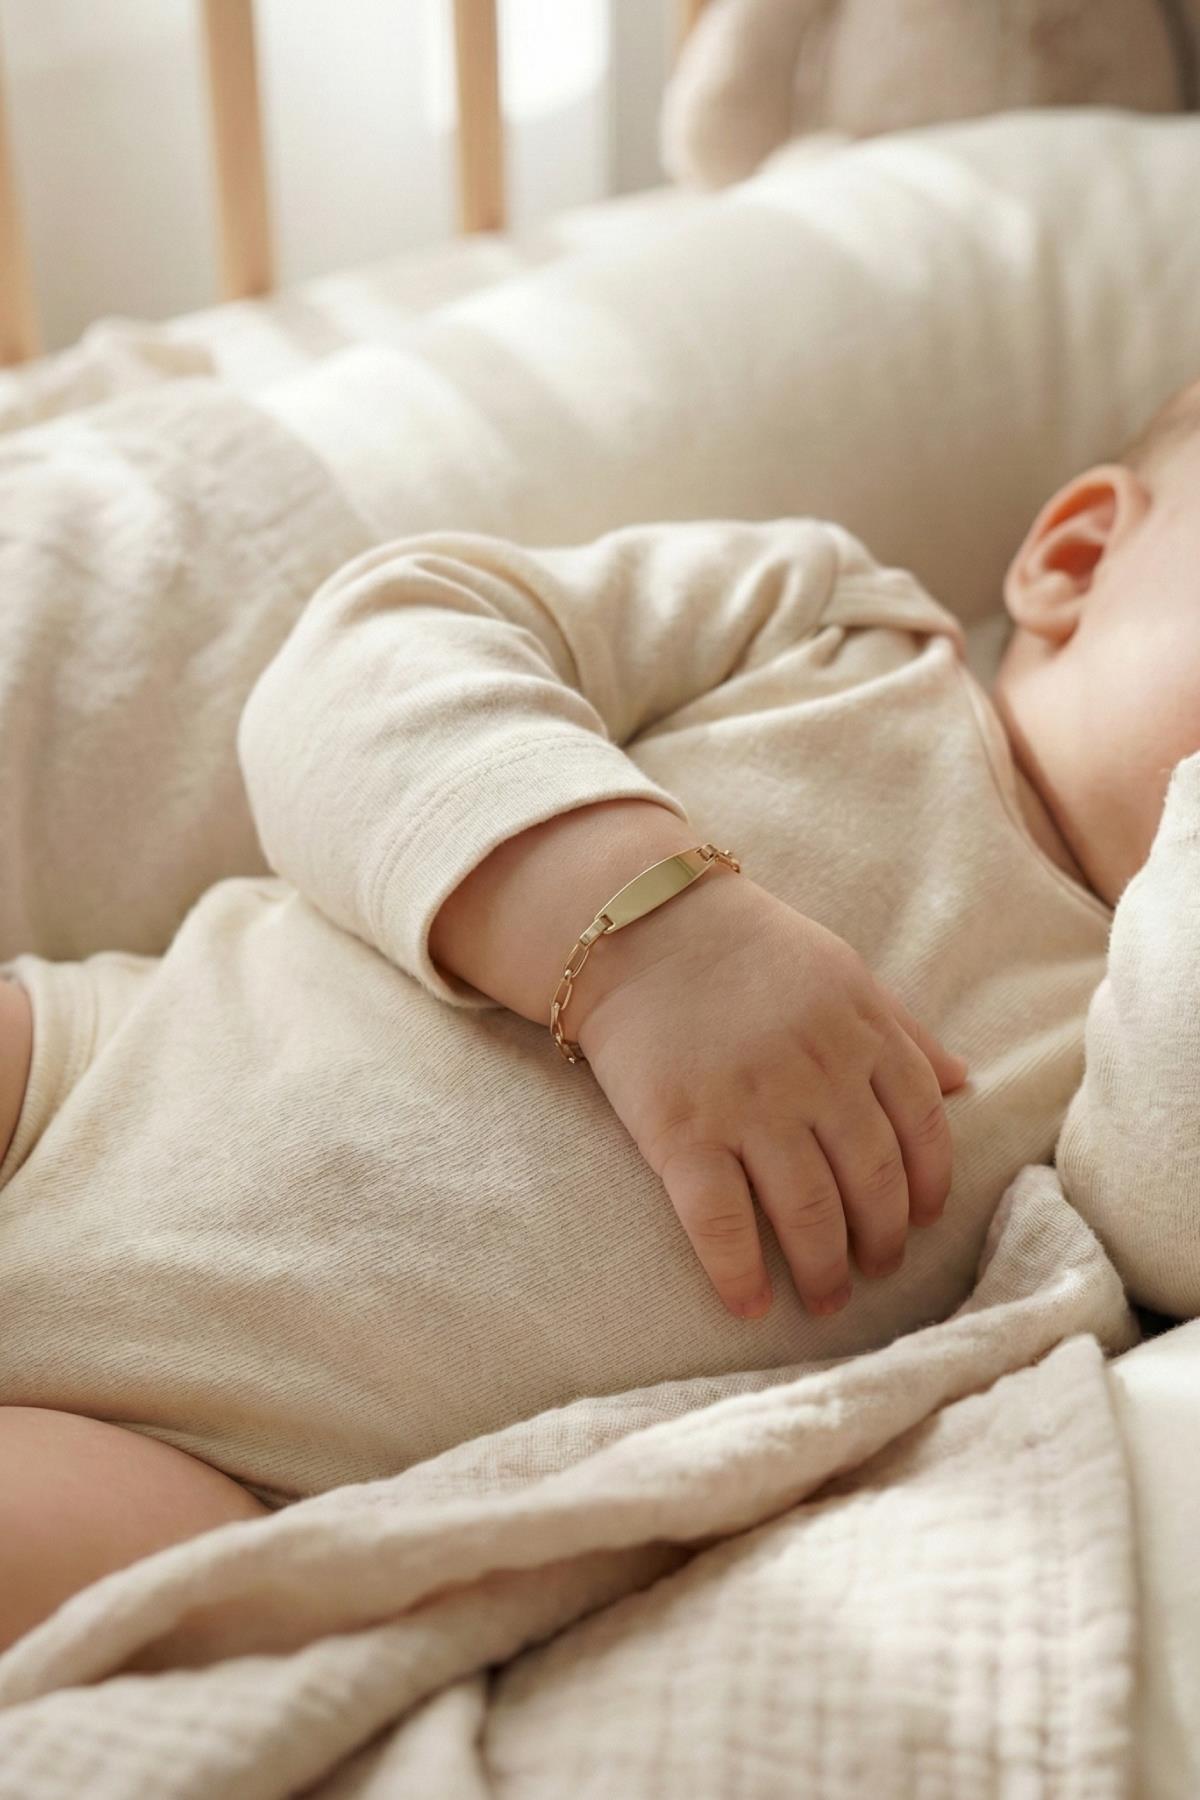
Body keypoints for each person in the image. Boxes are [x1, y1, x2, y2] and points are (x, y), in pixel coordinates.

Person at [1, 372, 1197, 1657]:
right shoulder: (814, 624)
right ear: (1077, 560)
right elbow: (366, 662)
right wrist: (645, 938)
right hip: (86, 1083)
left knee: (111, 1603)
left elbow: (1170, 1235)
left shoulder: (1130, 1054)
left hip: (236, 1463)